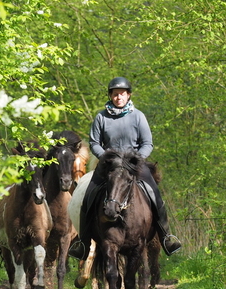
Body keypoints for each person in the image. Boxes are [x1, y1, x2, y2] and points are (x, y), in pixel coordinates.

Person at [68, 76, 182, 259]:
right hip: (108, 165)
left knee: (154, 193)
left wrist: (136, 159)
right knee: (88, 195)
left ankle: (166, 236)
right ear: (110, 96)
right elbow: (94, 142)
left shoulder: (138, 116)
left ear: (128, 95)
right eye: (115, 94)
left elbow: (147, 144)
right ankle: (83, 242)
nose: (118, 97)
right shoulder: (101, 117)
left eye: (121, 94)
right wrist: (105, 157)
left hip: (133, 165)